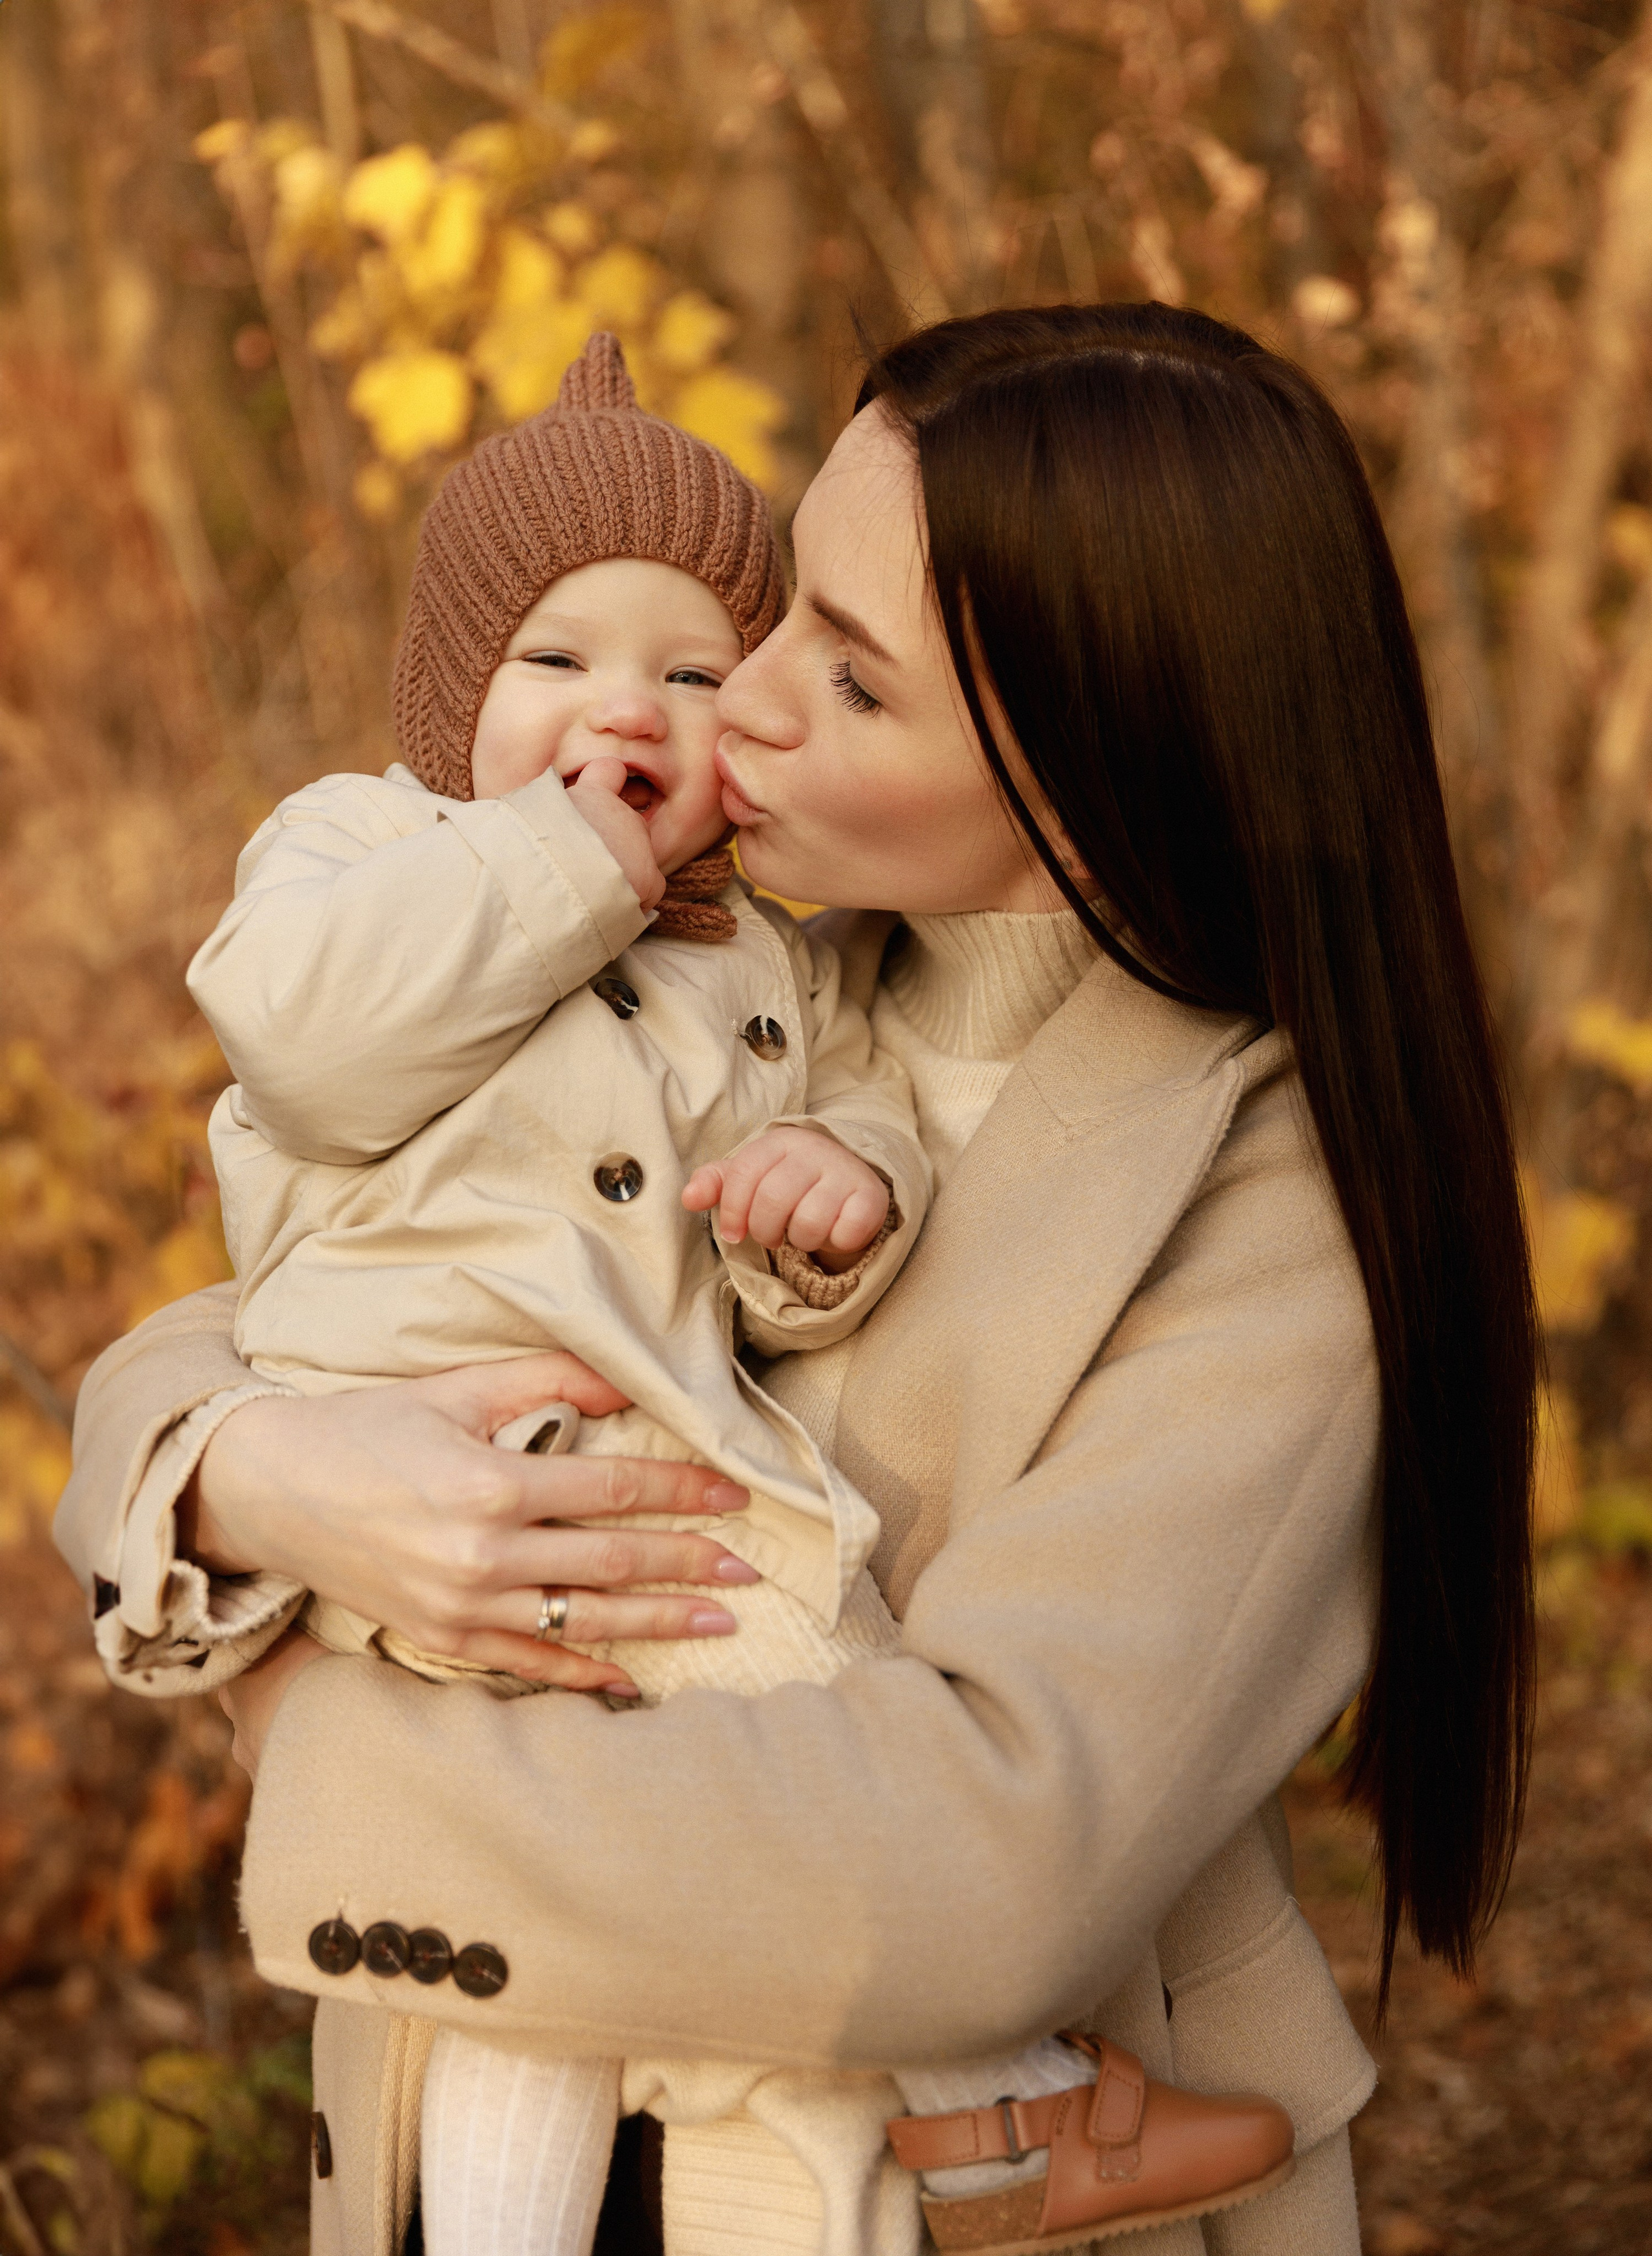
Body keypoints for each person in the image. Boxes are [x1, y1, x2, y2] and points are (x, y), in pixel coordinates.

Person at [56, 301, 1537, 2256]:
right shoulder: (758, 982)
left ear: (1098, 760)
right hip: (492, 2138)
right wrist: (252, 1474)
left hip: (901, 2198)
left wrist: (317, 1732)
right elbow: (289, 1282)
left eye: (845, 678)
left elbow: (976, 1863)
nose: (725, 708)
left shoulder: (1260, 1203)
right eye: (778, 619)